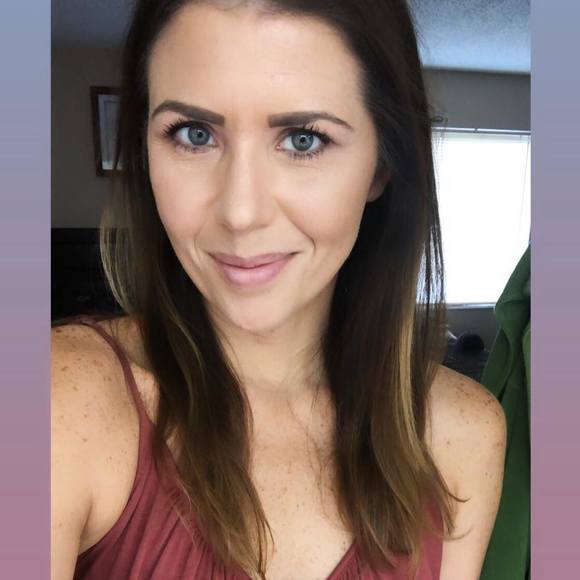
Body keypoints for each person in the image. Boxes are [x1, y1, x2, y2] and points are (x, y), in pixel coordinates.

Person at [51, 1, 507, 579]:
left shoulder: (464, 434)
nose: (240, 212)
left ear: (381, 166)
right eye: (194, 134)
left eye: (303, 140)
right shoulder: (60, 403)